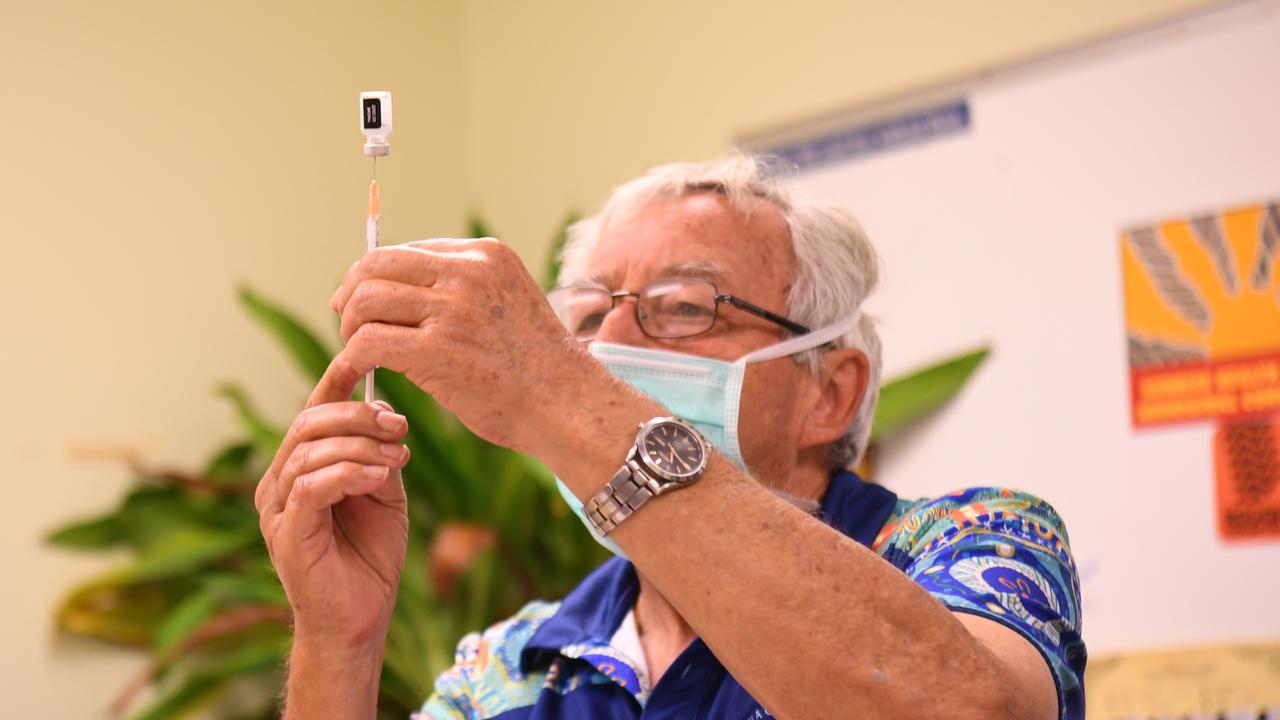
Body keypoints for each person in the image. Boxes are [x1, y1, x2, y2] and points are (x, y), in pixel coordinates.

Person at [255, 155, 1085, 720]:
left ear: (829, 394)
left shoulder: (975, 544)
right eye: (585, 317)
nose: (608, 350)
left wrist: (556, 384)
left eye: (686, 307)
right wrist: (340, 643)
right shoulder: (514, 666)